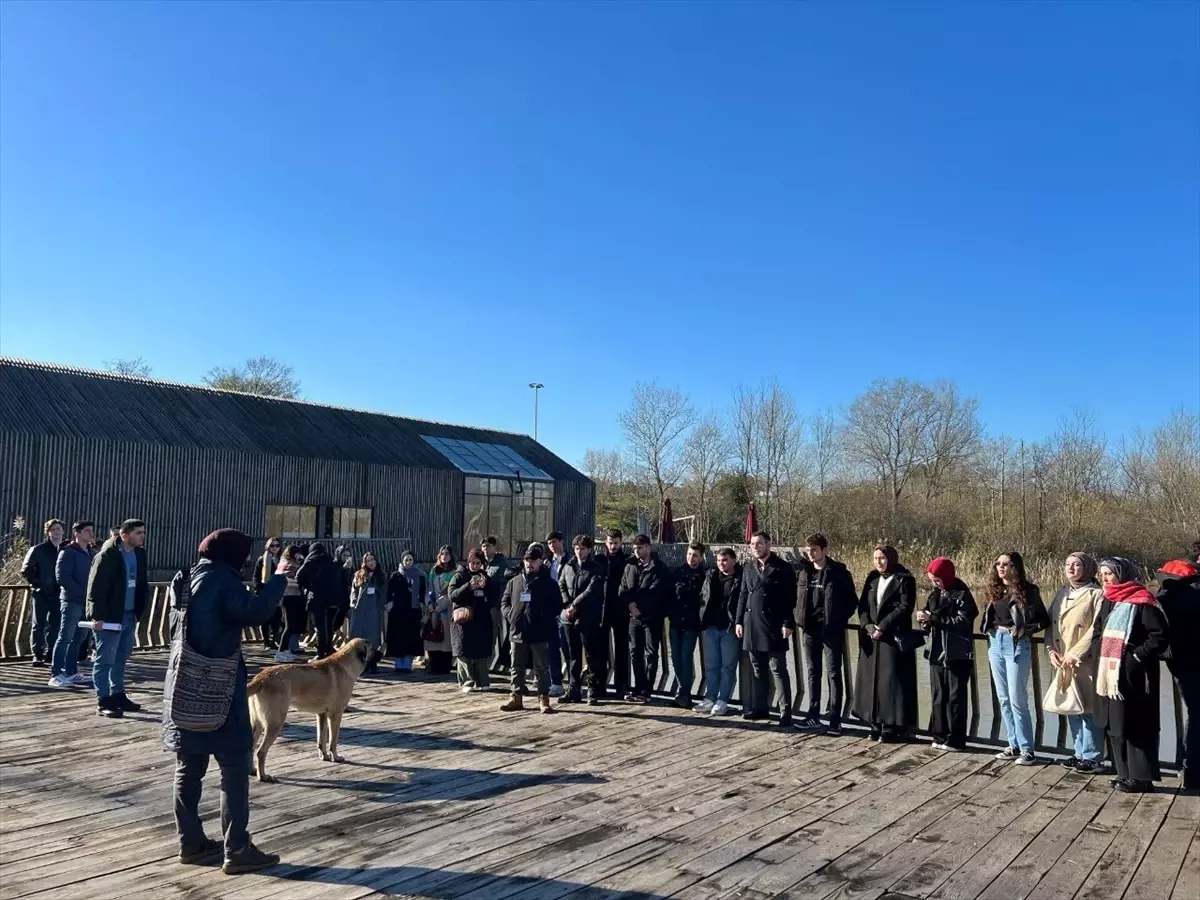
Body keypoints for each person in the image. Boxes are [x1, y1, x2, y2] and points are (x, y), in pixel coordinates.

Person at [163, 528, 287, 875]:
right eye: (245, 555)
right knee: (234, 767)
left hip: (183, 683)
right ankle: (237, 848)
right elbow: (254, 612)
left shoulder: (184, 577)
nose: (247, 561)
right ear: (233, 555)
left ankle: (191, 843)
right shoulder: (222, 580)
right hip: (219, 683)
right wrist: (277, 579)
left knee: (188, 768)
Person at [1095, 557, 1170, 794]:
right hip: (1111, 672)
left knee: (1137, 724)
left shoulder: (1142, 600)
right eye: (1102, 574)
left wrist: (1135, 657)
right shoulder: (1108, 599)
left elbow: (1158, 636)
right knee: (1117, 723)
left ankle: (1142, 778)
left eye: (1109, 573)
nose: (1104, 578)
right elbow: (1098, 630)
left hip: (1136, 674)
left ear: (1123, 574)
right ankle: (1124, 773)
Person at [982, 550, 1049, 764]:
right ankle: (1013, 744)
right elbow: (988, 617)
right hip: (995, 643)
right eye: (998, 564)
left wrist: (1025, 630)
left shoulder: (1029, 591)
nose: (1001, 567)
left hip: (1016, 644)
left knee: (1017, 698)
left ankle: (1027, 749)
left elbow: (1043, 620)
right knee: (1003, 698)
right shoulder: (994, 589)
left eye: (1006, 564)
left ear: (1016, 567)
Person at [1046, 552, 1106, 774]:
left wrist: (1076, 653)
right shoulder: (1061, 593)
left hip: (1085, 661)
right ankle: (1079, 752)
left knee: (1088, 708)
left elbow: (1096, 628)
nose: (1071, 569)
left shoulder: (1097, 594)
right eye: (1067, 564)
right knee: (1072, 706)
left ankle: (1093, 757)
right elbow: (1051, 625)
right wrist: (1051, 649)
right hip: (1062, 661)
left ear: (1088, 568)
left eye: (1077, 565)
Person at [851, 544, 918, 743]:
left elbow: (905, 606)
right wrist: (868, 626)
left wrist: (883, 626)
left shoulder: (905, 578)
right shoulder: (872, 578)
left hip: (892, 638)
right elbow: (862, 605)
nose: (878, 562)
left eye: (882, 558)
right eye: (875, 558)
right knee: (871, 680)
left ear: (891, 558)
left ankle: (891, 726)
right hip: (872, 637)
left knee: (891, 682)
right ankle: (873, 723)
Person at [794, 533, 858, 735]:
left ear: (824, 550)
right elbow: (796, 597)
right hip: (809, 630)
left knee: (833, 673)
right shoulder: (804, 572)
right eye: (808, 550)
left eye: (814, 549)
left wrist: (837, 619)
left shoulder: (839, 572)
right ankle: (813, 715)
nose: (811, 554)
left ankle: (835, 720)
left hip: (831, 630)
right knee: (813, 672)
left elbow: (852, 602)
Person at [86, 519, 150, 718]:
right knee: (105, 659)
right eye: (138, 533)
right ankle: (103, 699)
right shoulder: (108, 555)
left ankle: (118, 694)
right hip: (110, 616)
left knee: (121, 657)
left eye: (143, 532)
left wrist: (140, 608)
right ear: (124, 535)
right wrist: (96, 616)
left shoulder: (139, 554)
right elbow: (95, 586)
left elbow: (140, 582)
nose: (142, 536)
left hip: (129, 614)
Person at [736, 531, 797, 727]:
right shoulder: (748, 567)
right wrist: (739, 621)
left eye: (759, 543)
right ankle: (760, 708)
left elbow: (790, 599)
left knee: (778, 669)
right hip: (751, 624)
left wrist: (788, 623)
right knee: (757, 668)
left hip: (774, 625)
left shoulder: (783, 568)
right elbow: (743, 596)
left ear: (768, 544)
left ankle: (785, 711)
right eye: (752, 544)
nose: (755, 547)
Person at [917, 557, 978, 752]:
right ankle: (939, 734)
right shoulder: (935, 594)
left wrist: (933, 618)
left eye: (937, 580)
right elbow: (930, 618)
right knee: (938, 695)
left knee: (955, 697)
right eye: (932, 580)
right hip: (936, 652)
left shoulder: (963, 594)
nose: (934, 584)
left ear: (946, 577)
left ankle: (956, 739)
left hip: (956, 653)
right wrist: (924, 620)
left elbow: (963, 622)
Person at [499, 545, 559, 713]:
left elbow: (556, 605)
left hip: (539, 631)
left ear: (540, 561)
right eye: (527, 560)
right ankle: (515, 697)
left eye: (533, 560)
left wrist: (543, 618)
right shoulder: (515, 581)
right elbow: (504, 601)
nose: (529, 563)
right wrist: (510, 616)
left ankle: (543, 698)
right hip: (518, 631)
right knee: (516, 666)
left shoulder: (548, 583)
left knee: (541, 667)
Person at [1157, 558, 1199, 789]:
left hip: (1178, 661)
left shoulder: (1165, 591)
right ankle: (1192, 771)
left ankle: (1188, 769)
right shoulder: (1194, 591)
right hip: (1192, 659)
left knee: (1194, 715)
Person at [619, 535, 671, 704]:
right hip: (633, 617)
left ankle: (647, 690)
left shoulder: (660, 568)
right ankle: (638, 686)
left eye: (640, 548)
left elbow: (655, 593)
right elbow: (623, 588)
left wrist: (638, 606)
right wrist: (629, 605)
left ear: (648, 548)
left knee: (651, 653)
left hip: (652, 617)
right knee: (635, 652)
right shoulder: (629, 565)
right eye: (635, 548)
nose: (637, 551)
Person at [558, 535, 608, 705]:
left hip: (588, 616)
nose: (580, 552)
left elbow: (592, 590)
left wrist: (575, 605)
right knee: (572, 655)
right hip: (569, 618)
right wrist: (567, 605)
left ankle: (592, 691)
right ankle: (574, 689)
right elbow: (561, 584)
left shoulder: (596, 567)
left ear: (589, 549)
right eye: (577, 548)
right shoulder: (568, 566)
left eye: (583, 548)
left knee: (591, 655)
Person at [49, 521, 96, 688]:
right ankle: (56, 674)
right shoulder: (68, 552)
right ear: (77, 533)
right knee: (65, 637)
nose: (91, 534)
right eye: (87, 531)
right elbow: (62, 578)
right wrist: (81, 593)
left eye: (92, 530)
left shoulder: (91, 553)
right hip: (71, 601)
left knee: (79, 638)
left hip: (86, 603)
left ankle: (71, 671)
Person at [697, 548, 742, 716]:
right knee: (711, 666)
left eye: (725, 560)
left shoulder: (739, 577)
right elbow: (703, 596)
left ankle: (723, 700)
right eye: (718, 560)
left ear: (733, 560)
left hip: (729, 627)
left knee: (728, 667)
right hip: (710, 626)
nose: (721, 563)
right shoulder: (711, 576)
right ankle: (710, 697)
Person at [448, 549, 494, 692]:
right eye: (472, 563)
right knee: (463, 651)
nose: (475, 565)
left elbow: (494, 598)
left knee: (481, 651)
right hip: (464, 621)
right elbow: (452, 595)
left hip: (482, 620)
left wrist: (485, 587)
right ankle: (467, 682)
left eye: (478, 563)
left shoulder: (486, 577)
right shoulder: (459, 576)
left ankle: (483, 681)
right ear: (468, 563)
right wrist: (468, 586)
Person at [22, 518, 65, 668]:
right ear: (47, 532)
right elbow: (26, 570)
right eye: (53, 529)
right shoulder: (38, 549)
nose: (56, 532)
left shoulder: (66, 549)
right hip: (41, 593)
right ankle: (37, 654)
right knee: (38, 624)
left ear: (63, 531)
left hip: (59, 593)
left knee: (55, 624)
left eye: (58, 529)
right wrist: (38, 584)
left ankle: (51, 652)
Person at [669, 543, 706, 709]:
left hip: (692, 622)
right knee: (675, 658)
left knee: (686, 656)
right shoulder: (677, 572)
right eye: (690, 554)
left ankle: (684, 693)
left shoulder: (705, 575)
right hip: (676, 621)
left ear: (701, 557)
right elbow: (667, 594)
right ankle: (683, 691)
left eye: (695, 555)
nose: (692, 558)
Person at [296, 543, 343, 659]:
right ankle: (329, 649)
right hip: (333, 599)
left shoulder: (312, 559)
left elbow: (299, 575)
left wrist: (308, 587)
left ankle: (320, 653)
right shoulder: (331, 561)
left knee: (319, 627)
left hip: (317, 598)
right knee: (329, 625)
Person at [599, 529, 631, 701]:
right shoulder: (599, 560)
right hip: (603, 610)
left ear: (621, 543)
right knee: (601, 650)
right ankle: (600, 685)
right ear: (606, 542)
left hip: (620, 610)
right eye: (610, 543)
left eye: (616, 543)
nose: (613, 546)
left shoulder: (626, 561)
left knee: (621, 650)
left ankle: (621, 686)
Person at [348, 552, 388, 675]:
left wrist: (381, 606)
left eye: (373, 560)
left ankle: (372, 663)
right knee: (358, 636)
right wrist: (354, 604)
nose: (371, 562)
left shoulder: (381, 576)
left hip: (374, 611)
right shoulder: (359, 575)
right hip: (360, 610)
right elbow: (354, 591)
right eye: (369, 560)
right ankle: (360, 663)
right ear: (365, 562)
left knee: (373, 637)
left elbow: (384, 593)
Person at [386, 552, 426, 672]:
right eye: (406, 560)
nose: (408, 562)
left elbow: (423, 592)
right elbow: (389, 592)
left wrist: (421, 604)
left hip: (413, 611)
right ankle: (398, 664)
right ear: (402, 560)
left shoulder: (420, 575)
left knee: (411, 638)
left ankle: (408, 664)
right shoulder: (396, 575)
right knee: (398, 637)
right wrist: (390, 604)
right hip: (398, 611)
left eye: (410, 559)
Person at [545, 532, 570, 698]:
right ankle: (556, 682)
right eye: (549, 543)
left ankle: (574, 683)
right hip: (550, 609)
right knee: (551, 648)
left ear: (561, 541)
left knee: (567, 648)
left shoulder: (570, 561)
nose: (552, 546)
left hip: (566, 609)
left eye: (554, 542)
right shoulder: (548, 563)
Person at [424, 546, 456, 676]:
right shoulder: (433, 571)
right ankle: (433, 665)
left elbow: (452, 592)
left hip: (446, 609)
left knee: (445, 640)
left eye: (447, 554)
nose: (444, 556)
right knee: (432, 638)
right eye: (442, 554)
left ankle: (445, 667)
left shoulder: (454, 572)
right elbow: (428, 588)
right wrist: (430, 603)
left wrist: (441, 604)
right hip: (433, 609)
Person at [482, 537, 511, 673]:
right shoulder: (482, 563)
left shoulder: (501, 563)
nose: (485, 549)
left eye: (488, 546)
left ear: (494, 547)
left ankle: (501, 664)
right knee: (488, 634)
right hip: (483, 605)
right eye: (483, 546)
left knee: (499, 635)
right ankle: (488, 662)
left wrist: (501, 603)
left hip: (497, 605)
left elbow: (504, 585)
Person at [273, 546, 307, 663]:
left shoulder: (281, 563)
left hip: (284, 596)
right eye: (298, 554)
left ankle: (285, 650)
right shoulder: (291, 564)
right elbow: (297, 578)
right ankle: (281, 651)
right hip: (291, 596)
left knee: (288, 625)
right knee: (289, 626)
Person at [253, 538, 282, 651]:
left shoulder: (281, 560)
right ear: (268, 547)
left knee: (277, 618)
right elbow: (256, 576)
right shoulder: (262, 559)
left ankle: (273, 640)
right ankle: (266, 642)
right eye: (272, 546)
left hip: (278, 592)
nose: (274, 548)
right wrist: (259, 589)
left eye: (277, 546)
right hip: (265, 591)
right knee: (265, 618)